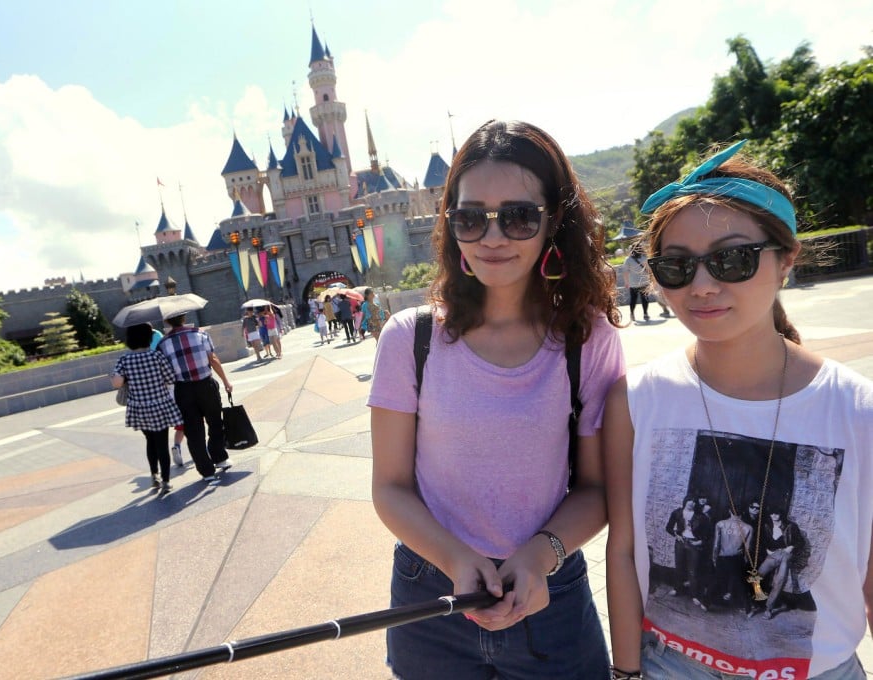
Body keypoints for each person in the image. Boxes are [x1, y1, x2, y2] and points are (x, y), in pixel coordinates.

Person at [603, 140, 873, 680]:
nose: (703, 285)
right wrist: (627, 674)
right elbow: (624, 549)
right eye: (677, 266)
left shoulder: (857, 409)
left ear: (786, 260)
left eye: (732, 259)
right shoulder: (635, 400)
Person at [368, 119, 624, 679]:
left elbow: (598, 488)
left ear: (553, 221)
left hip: (549, 593)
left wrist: (538, 556)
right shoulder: (409, 339)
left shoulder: (587, 338)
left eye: (518, 216)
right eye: (470, 218)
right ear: (449, 223)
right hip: (429, 598)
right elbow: (390, 488)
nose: (492, 237)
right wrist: (457, 559)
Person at [157, 313, 234, 484]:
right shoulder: (200, 334)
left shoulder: (162, 344)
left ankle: (206, 470)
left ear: (167, 322)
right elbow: (213, 359)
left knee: (193, 431)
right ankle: (220, 457)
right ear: (184, 318)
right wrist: (225, 381)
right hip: (206, 384)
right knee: (215, 422)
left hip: (183, 390)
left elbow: (164, 373)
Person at [111, 323, 183, 494]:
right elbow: (170, 378)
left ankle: (154, 475)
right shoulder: (156, 356)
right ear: (149, 338)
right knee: (162, 443)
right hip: (160, 405)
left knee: (150, 441)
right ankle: (166, 481)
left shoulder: (124, 359)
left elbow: (117, 383)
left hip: (139, 408)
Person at [622, 243, 651, 321]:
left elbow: (625, 272)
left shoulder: (628, 259)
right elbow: (649, 270)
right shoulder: (644, 258)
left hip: (633, 283)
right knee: (645, 299)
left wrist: (626, 282)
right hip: (644, 282)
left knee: (633, 299)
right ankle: (645, 314)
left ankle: (632, 314)